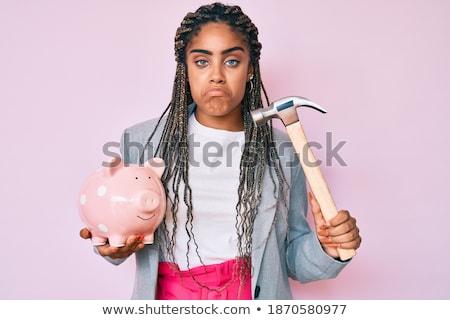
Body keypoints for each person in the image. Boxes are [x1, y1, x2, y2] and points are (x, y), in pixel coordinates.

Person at [80, 2, 361, 300]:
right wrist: (110, 244)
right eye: (202, 61)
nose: (216, 75)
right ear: (185, 69)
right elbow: (115, 230)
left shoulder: (283, 151)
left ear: (250, 68)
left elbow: (292, 261)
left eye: (231, 62)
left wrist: (329, 248)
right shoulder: (142, 140)